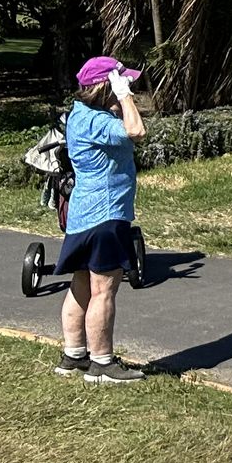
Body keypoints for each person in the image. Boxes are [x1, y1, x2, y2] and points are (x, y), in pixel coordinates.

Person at [57, 56, 148, 383]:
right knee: (103, 290)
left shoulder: (80, 115)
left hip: (83, 215)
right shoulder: (100, 123)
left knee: (81, 284)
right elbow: (136, 130)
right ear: (103, 87)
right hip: (107, 214)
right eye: (121, 82)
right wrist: (124, 96)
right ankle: (102, 364)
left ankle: (74, 355)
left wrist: (115, 96)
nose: (129, 87)